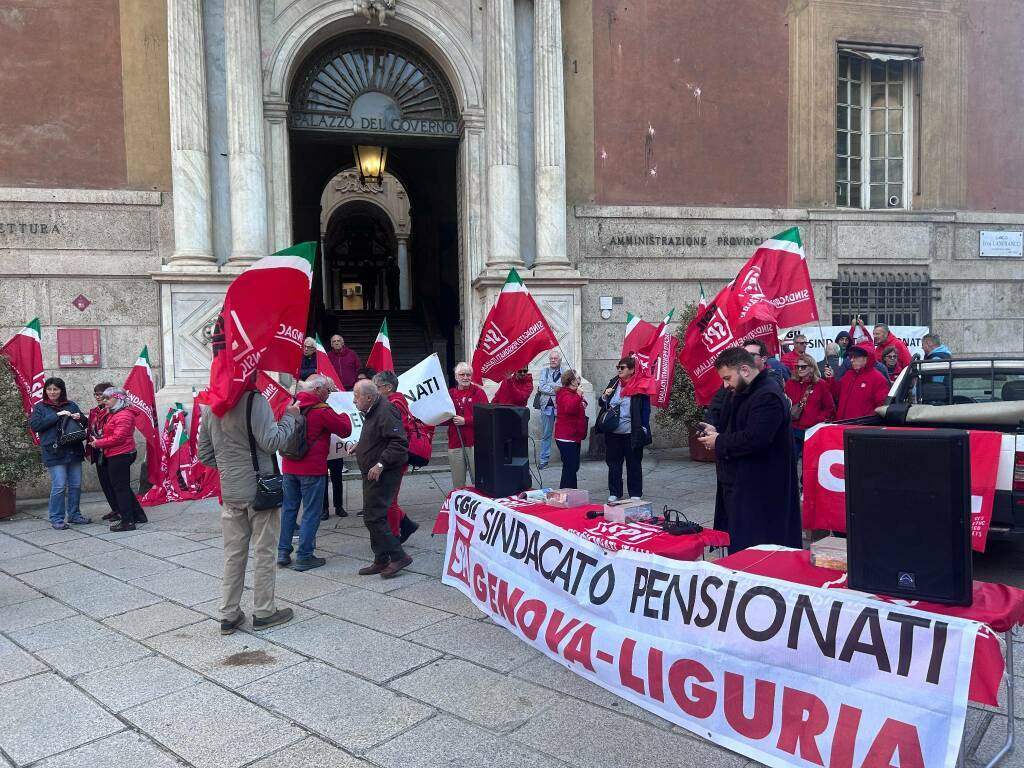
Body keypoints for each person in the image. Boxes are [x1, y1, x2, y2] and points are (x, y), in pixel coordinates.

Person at [198, 377, 300, 635]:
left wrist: (230, 469)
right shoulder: (255, 400)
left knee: (233, 555)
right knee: (265, 552)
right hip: (259, 490)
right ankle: (265, 611)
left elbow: (205, 454)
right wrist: (290, 417)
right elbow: (271, 442)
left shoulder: (211, 406)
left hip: (231, 491)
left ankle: (228, 614)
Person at [697, 348, 800, 553]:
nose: (726, 385)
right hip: (741, 483)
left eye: (728, 378)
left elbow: (755, 438)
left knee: (755, 548)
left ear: (744, 370)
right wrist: (714, 430)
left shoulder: (767, 395)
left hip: (761, 490)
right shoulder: (742, 391)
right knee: (739, 541)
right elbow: (735, 425)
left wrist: (719, 441)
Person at [278, 375, 352, 572]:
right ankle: (304, 556)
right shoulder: (322, 410)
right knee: (311, 512)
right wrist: (344, 414)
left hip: (289, 466)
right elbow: (345, 429)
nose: (329, 394)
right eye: (327, 390)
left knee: (289, 509)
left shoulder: (290, 404)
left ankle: (283, 552)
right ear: (318, 390)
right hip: (312, 468)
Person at [349, 379, 412, 578]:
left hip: (383, 472)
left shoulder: (385, 410)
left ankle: (398, 556)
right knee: (373, 516)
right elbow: (377, 437)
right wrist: (359, 447)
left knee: (374, 517)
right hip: (372, 472)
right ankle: (381, 558)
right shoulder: (373, 410)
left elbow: (398, 442)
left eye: (356, 396)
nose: (354, 401)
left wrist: (380, 464)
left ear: (369, 397)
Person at [30, 377, 91, 530]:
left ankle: (74, 515)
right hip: (54, 451)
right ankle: (56, 518)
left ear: (61, 390)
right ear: (45, 391)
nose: (52, 392)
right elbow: (36, 425)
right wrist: (56, 415)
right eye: (49, 389)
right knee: (59, 486)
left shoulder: (71, 405)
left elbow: (85, 423)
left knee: (76, 485)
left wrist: (80, 417)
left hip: (73, 449)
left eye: (55, 389)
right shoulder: (40, 407)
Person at [88, 388, 147, 532]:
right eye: (104, 398)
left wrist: (99, 443)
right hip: (118, 453)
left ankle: (127, 522)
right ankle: (139, 515)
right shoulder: (115, 413)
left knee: (120, 489)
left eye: (108, 398)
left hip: (120, 454)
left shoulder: (123, 415)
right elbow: (114, 434)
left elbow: (118, 438)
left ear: (118, 399)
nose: (105, 401)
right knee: (123, 487)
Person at [373, 370, 420, 543]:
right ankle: (406, 525)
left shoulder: (393, 404)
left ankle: (393, 537)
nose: (375, 390)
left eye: (377, 387)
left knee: (389, 501)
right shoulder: (395, 401)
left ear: (388, 387)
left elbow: (396, 435)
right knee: (387, 499)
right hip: (394, 457)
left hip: (394, 458)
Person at [598, 356, 651, 501]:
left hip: (631, 432)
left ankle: (635, 493)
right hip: (613, 432)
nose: (619, 370)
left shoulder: (640, 385)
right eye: (618, 367)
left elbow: (645, 409)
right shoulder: (614, 382)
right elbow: (602, 403)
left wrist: (644, 427)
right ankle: (615, 493)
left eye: (622, 368)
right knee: (614, 464)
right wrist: (604, 396)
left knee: (634, 463)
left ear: (632, 370)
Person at [444, 362, 488, 488]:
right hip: (455, 442)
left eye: (468, 374)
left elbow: (486, 417)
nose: (465, 377)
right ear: (456, 377)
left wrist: (466, 420)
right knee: (458, 483)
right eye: (462, 374)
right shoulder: (450, 394)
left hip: (475, 443)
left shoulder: (479, 393)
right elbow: (443, 419)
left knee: (480, 480)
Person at [784, 353, 835, 461]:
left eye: (803, 366)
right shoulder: (790, 383)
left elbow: (830, 409)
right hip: (793, 429)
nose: (800, 369)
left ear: (812, 368)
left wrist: (816, 420)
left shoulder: (821, 385)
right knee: (790, 462)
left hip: (812, 430)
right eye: (798, 366)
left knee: (810, 464)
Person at [825, 342, 890, 420]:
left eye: (855, 357)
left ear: (866, 358)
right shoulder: (849, 374)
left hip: (861, 428)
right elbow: (836, 393)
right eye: (851, 357)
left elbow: (882, 408)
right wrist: (831, 378)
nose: (851, 360)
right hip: (842, 424)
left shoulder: (878, 379)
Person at [86, 381, 119, 522]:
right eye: (96, 394)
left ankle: (122, 510)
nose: (98, 397)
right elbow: (90, 429)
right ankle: (115, 508)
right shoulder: (94, 411)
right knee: (105, 483)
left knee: (115, 483)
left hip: (111, 451)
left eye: (101, 394)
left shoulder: (113, 410)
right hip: (98, 450)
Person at [554, 370, 587, 489]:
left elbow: (577, 404)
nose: (579, 380)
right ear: (572, 381)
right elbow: (569, 408)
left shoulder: (573, 393)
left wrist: (582, 400)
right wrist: (578, 395)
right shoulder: (564, 393)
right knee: (570, 467)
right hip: (566, 437)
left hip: (575, 436)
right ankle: (566, 492)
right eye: (578, 378)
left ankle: (571, 492)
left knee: (573, 467)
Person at [535, 351, 566, 470]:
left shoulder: (566, 373)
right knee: (546, 434)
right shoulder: (544, 371)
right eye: (551, 358)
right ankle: (544, 460)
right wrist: (557, 389)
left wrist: (552, 387)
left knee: (562, 434)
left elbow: (566, 388)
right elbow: (542, 387)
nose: (553, 360)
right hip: (547, 407)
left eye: (555, 358)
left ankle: (566, 458)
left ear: (560, 360)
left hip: (561, 407)